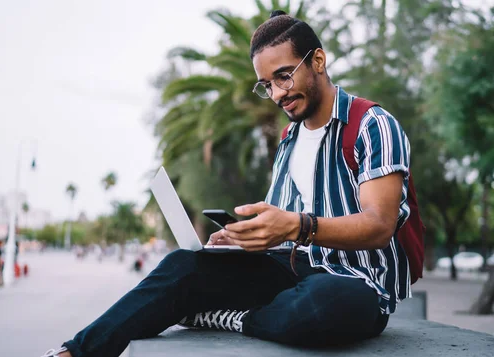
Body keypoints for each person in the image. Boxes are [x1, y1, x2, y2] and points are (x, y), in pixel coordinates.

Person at [42, 10, 412, 357]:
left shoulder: (372, 125)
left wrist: (299, 226)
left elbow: (379, 225)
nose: (278, 94)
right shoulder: (289, 139)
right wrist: (242, 237)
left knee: (323, 303)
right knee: (183, 265)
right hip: (292, 267)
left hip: (355, 283)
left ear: (318, 61)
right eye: (266, 85)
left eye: (284, 76)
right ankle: (74, 351)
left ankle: (234, 317)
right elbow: (279, 225)